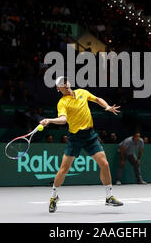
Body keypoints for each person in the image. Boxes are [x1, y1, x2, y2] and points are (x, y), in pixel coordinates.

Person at [39, 76, 123, 213]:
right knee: (63, 170)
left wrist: (107, 106)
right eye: (61, 84)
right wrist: (49, 120)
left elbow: (97, 99)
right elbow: (63, 120)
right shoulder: (62, 102)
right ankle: (54, 197)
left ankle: (109, 196)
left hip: (90, 136)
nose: (65, 85)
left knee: (105, 164)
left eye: (66, 82)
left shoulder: (82, 92)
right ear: (58, 89)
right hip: (75, 138)